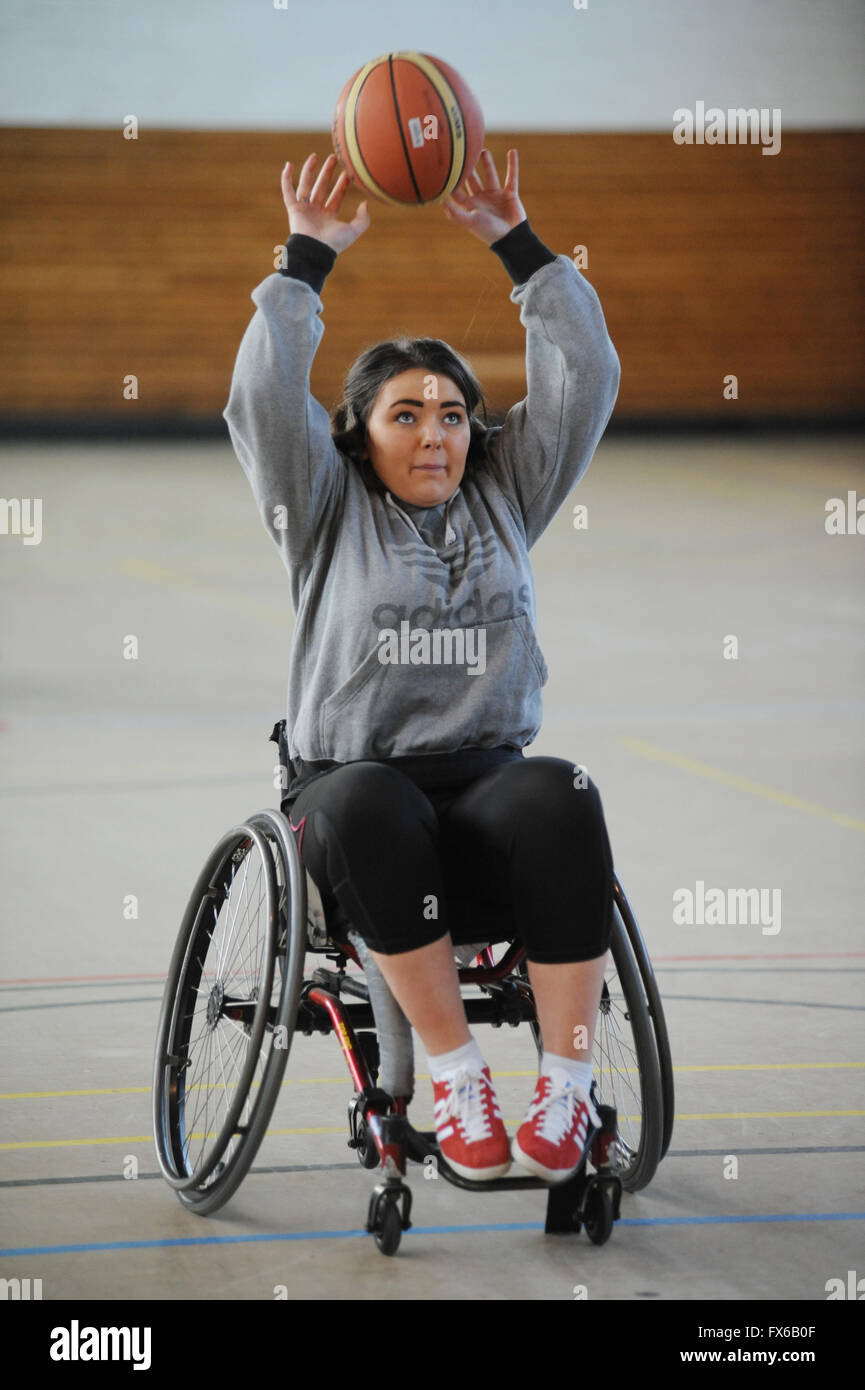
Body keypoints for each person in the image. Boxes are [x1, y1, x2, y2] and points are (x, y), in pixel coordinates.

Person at [224, 148, 621, 1184]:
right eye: (406, 413)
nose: (436, 432)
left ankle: (567, 1089)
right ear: (357, 435)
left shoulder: (507, 494)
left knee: (565, 791)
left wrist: (518, 246)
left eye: (451, 411)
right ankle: (456, 1076)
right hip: (352, 797)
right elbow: (266, 396)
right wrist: (306, 259)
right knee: (365, 804)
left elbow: (589, 377)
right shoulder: (320, 508)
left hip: (485, 784)